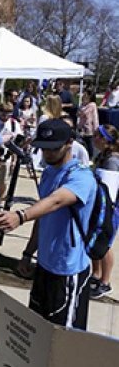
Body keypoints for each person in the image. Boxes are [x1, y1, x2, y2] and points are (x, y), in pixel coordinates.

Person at [0, 119, 96, 330]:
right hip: (44, 265)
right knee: (38, 330)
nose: (47, 154)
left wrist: (20, 216)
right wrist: (28, 252)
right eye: (43, 149)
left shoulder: (81, 176)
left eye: (53, 149)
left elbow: (57, 200)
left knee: (64, 335)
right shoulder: (49, 172)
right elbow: (44, 215)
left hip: (68, 269)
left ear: (69, 143)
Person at [89, 124, 119, 299]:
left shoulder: (112, 161)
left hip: (109, 209)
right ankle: (96, 273)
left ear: (105, 140)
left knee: (104, 244)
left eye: (96, 136)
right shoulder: (102, 156)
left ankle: (105, 282)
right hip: (99, 205)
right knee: (94, 241)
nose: (93, 138)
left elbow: (110, 189)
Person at [77, 89, 99, 158]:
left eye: (86, 95)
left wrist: (96, 128)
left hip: (89, 127)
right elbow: (78, 114)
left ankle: (91, 156)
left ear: (90, 97)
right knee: (82, 142)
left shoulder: (92, 105)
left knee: (89, 142)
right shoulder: (82, 104)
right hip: (81, 126)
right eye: (84, 95)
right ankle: (83, 155)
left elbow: (93, 116)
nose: (84, 96)